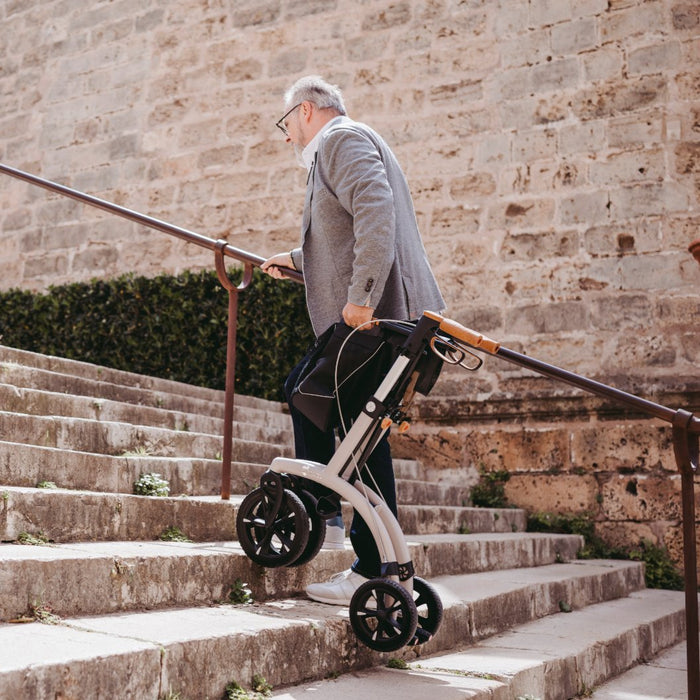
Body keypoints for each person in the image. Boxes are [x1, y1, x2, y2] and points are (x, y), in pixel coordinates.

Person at [261, 75, 445, 605]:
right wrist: (296, 262)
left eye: (286, 122)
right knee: (358, 425)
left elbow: (376, 214)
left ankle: (328, 515)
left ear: (307, 110)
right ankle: (369, 555)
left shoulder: (341, 140)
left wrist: (362, 297)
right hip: (388, 317)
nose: (287, 135)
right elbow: (346, 232)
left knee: (315, 398)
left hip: (378, 317)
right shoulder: (346, 144)